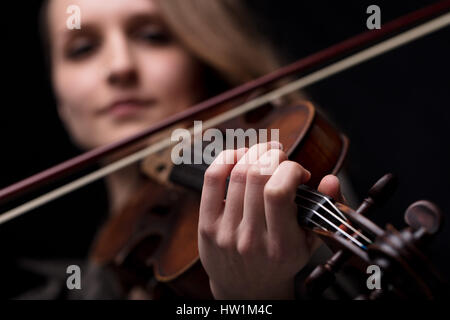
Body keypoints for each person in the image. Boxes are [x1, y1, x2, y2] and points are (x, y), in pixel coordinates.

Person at [27, 0, 345, 299]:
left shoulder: (282, 181)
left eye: (153, 37)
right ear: (60, 99)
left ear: (202, 56)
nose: (120, 66)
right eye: (82, 49)